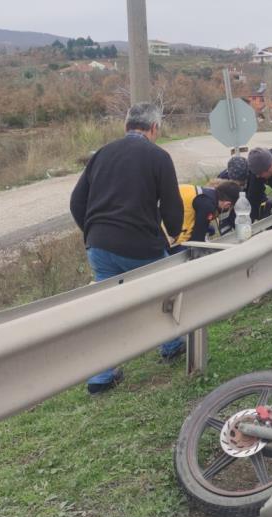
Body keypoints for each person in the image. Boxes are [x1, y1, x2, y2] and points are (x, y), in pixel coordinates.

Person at [69, 102, 186, 395]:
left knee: (108, 309)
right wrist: (174, 234)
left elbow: (76, 201)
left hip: (99, 245)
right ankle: (172, 347)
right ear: (155, 128)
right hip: (140, 245)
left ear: (126, 126)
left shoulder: (102, 154)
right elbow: (172, 205)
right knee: (164, 295)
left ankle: (101, 377)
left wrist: (93, 232)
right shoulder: (158, 157)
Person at [170, 179, 242, 251]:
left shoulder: (208, 193)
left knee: (210, 230)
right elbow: (196, 241)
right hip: (165, 230)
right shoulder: (208, 206)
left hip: (167, 211)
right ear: (227, 204)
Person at [216, 155, 272, 230]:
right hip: (233, 206)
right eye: (235, 181)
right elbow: (220, 205)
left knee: (266, 206)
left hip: (254, 201)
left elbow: (255, 198)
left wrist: (249, 221)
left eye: (242, 182)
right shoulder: (222, 180)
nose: (239, 184)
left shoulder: (256, 176)